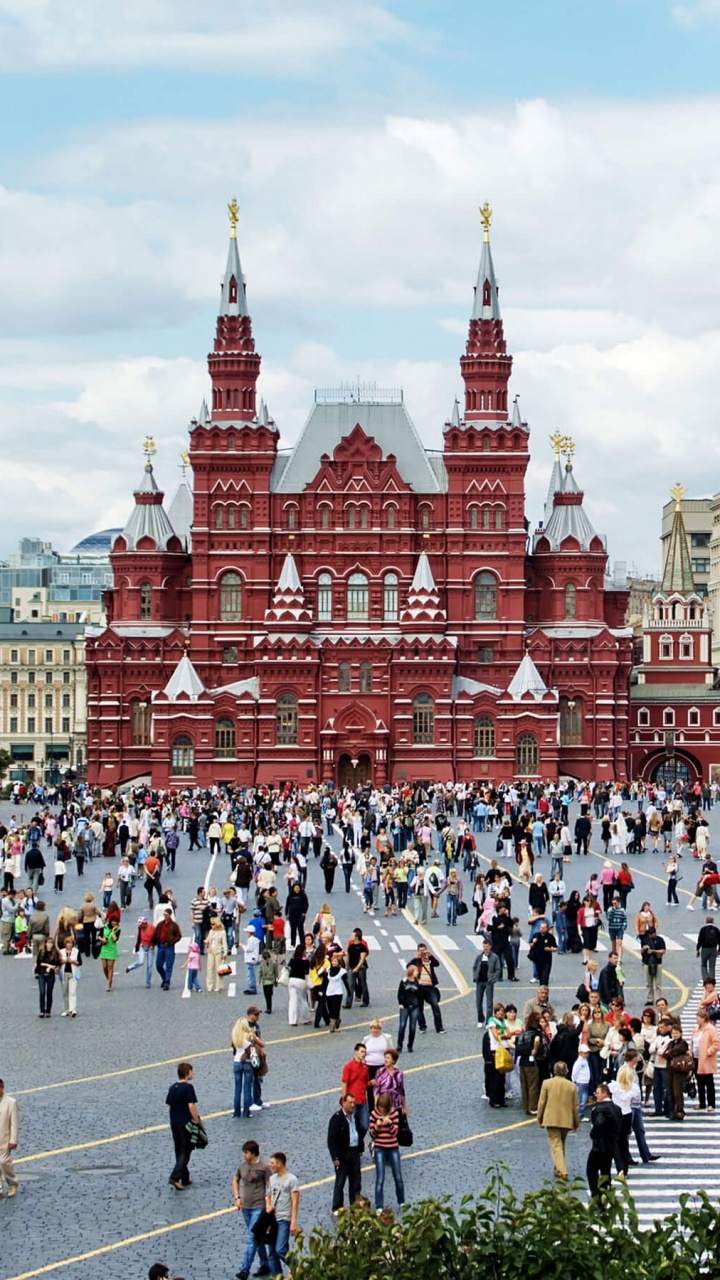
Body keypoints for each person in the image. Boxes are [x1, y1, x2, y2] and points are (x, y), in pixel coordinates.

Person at [231, 1139, 271, 1280]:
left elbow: (270, 1185)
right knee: (258, 1237)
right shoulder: (242, 1166)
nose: (244, 1155)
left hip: (258, 1207)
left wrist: (268, 1202)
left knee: (251, 1237)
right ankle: (265, 1264)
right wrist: (237, 1197)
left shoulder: (264, 1168)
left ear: (253, 1153)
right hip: (246, 1208)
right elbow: (235, 1179)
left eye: (246, 1152)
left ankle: (244, 1270)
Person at [536, 1062, 579, 1180]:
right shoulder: (572, 1086)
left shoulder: (546, 1083)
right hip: (566, 1119)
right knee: (561, 1144)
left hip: (551, 1119)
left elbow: (542, 1102)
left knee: (556, 1145)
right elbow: (575, 1106)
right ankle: (558, 1168)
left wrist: (539, 1118)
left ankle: (562, 1170)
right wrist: (576, 1122)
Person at [327, 1093, 366, 1212]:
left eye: (354, 1103)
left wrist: (360, 1148)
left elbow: (360, 1131)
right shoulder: (336, 1119)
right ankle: (337, 1207)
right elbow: (332, 1140)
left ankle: (355, 1205)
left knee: (356, 1181)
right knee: (340, 1181)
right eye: (350, 1103)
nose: (352, 1105)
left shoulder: (355, 1117)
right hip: (342, 1154)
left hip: (354, 1152)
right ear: (343, 1103)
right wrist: (335, 1157)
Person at [265, 1152, 300, 1278]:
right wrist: (268, 1205)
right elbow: (268, 1196)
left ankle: (297, 1267)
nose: (270, 1165)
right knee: (272, 1252)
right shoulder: (272, 1179)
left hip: (284, 1218)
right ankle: (277, 1276)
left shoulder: (292, 1180)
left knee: (280, 1249)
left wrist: (293, 1222)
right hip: (273, 1219)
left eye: (272, 1163)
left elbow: (295, 1202)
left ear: (279, 1164)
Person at [166, 1061, 199, 1191]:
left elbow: (170, 1106)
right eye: (191, 1071)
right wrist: (196, 1120)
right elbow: (191, 1106)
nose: (193, 1074)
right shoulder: (188, 1088)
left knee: (178, 1149)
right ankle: (175, 1177)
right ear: (187, 1073)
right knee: (186, 1150)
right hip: (185, 1123)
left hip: (174, 1122)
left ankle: (185, 1177)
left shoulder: (172, 1087)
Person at [369, 1092, 405, 1212]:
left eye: (384, 1109)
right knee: (380, 1178)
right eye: (380, 1108)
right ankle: (379, 1205)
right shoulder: (374, 1115)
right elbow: (372, 1134)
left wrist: (390, 1124)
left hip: (393, 1147)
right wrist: (377, 1127)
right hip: (379, 1148)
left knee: (398, 1176)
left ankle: (401, 1201)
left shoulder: (394, 1114)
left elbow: (395, 1133)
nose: (382, 1111)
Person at [586, 1082, 621, 1203]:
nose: (596, 1095)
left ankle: (596, 1195)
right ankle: (606, 1196)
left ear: (605, 1093)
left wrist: (593, 1134)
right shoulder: (617, 1109)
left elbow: (599, 1123)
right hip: (611, 1145)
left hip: (599, 1146)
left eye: (597, 1093)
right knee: (606, 1172)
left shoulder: (600, 1109)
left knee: (591, 1170)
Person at [411, 942, 446, 1034]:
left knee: (435, 1005)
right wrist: (415, 958)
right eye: (421, 951)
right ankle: (422, 1027)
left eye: (424, 950)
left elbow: (437, 964)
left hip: (430, 987)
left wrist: (431, 956)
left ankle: (439, 1027)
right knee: (419, 1008)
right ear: (418, 951)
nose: (423, 952)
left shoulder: (429, 959)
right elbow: (408, 967)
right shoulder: (416, 961)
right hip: (419, 987)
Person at [690, 1007, 719, 1111]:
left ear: (704, 1018)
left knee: (709, 1082)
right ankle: (702, 1103)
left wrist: (708, 1051)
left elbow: (716, 1044)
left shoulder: (711, 1029)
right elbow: (692, 1042)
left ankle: (711, 1104)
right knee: (699, 1082)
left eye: (698, 1017)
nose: (696, 1020)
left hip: (706, 1059)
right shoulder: (696, 1029)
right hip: (696, 1058)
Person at [341, 1044, 370, 1132]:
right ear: (356, 1052)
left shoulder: (365, 1067)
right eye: (362, 1051)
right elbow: (344, 1083)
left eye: (365, 1052)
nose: (364, 1054)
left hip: (363, 1100)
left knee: (365, 1125)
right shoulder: (348, 1067)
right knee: (351, 1125)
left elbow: (366, 1082)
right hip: (351, 1101)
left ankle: (358, 1138)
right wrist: (344, 1100)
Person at [473, 939, 501, 1026]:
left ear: (490, 946)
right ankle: (480, 1020)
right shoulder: (479, 957)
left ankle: (488, 1021)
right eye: (484, 946)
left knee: (489, 1003)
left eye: (486, 946)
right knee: (478, 1002)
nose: (485, 948)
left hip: (489, 982)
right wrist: (475, 976)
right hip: (480, 982)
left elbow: (498, 969)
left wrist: (493, 979)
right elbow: (474, 967)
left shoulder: (495, 957)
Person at [152, 908, 183, 991]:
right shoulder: (160, 924)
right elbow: (155, 935)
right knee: (158, 965)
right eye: (164, 915)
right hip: (161, 946)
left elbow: (179, 936)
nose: (165, 916)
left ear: (170, 915)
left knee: (169, 966)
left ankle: (167, 983)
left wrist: (172, 941)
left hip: (169, 947)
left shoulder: (174, 925)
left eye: (166, 915)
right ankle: (165, 978)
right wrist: (153, 944)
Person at [0, 1078, 19, 1198]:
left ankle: (12, 1183)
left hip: (4, 1139)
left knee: (3, 1162)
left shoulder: (11, 1102)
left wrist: (13, 1140)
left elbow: (14, 1123)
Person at [397, 963, 421, 1054]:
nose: (417, 973)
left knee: (412, 1027)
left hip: (415, 1006)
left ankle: (410, 1045)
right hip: (405, 1006)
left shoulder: (418, 982)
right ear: (411, 972)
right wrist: (400, 1003)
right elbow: (400, 993)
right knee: (402, 1025)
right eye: (416, 971)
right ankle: (399, 1045)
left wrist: (420, 1008)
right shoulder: (404, 982)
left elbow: (420, 996)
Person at [35, 937, 61, 1017]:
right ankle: (42, 1010)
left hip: (51, 975)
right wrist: (47, 965)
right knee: (42, 992)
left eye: (51, 943)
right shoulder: (42, 952)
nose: (50, 945)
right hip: (42, 974)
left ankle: (48, 1011)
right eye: (49, 943)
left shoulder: (55, 953)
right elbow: (39, 963)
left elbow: (58, 963)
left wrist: (53, 967)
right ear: (45, 944)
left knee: (49, 993)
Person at [641, 925, 666, 1005]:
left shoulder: (660, 940)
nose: (651, 935)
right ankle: (650, 999)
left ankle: (659, 999)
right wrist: (643, 949)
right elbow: (641, 951)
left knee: (658, 983)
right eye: (650, 934)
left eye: (652, 934)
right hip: (647, 962)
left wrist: (654, 951)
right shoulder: (645, 940)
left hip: (657, 962)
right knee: (649, 983)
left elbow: (663, 951)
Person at [59, 934, 82, 1017]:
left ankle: (73, 1009)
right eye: (68, 943)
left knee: (72, 992)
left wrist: (73, 961)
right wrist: (64, 961)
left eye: (71, 943)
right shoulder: (61, 952)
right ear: (65, 944)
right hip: (64, 973)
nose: (69, 945)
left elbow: (80, 962)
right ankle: (66, 1009)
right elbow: (58, 962)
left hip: (73, 973)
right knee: (65, 992)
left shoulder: (76, 951)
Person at [696, 916, 720, 981]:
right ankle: (711, 980)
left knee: (703, 965)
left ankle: (705, 979)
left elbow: (700, 940)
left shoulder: (703, 929)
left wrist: (697, 949)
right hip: (713, 949)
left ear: (706, 921)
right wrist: (719, 950)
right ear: (713, 921)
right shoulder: (716, 929)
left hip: (705, 949)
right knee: (712, 966)